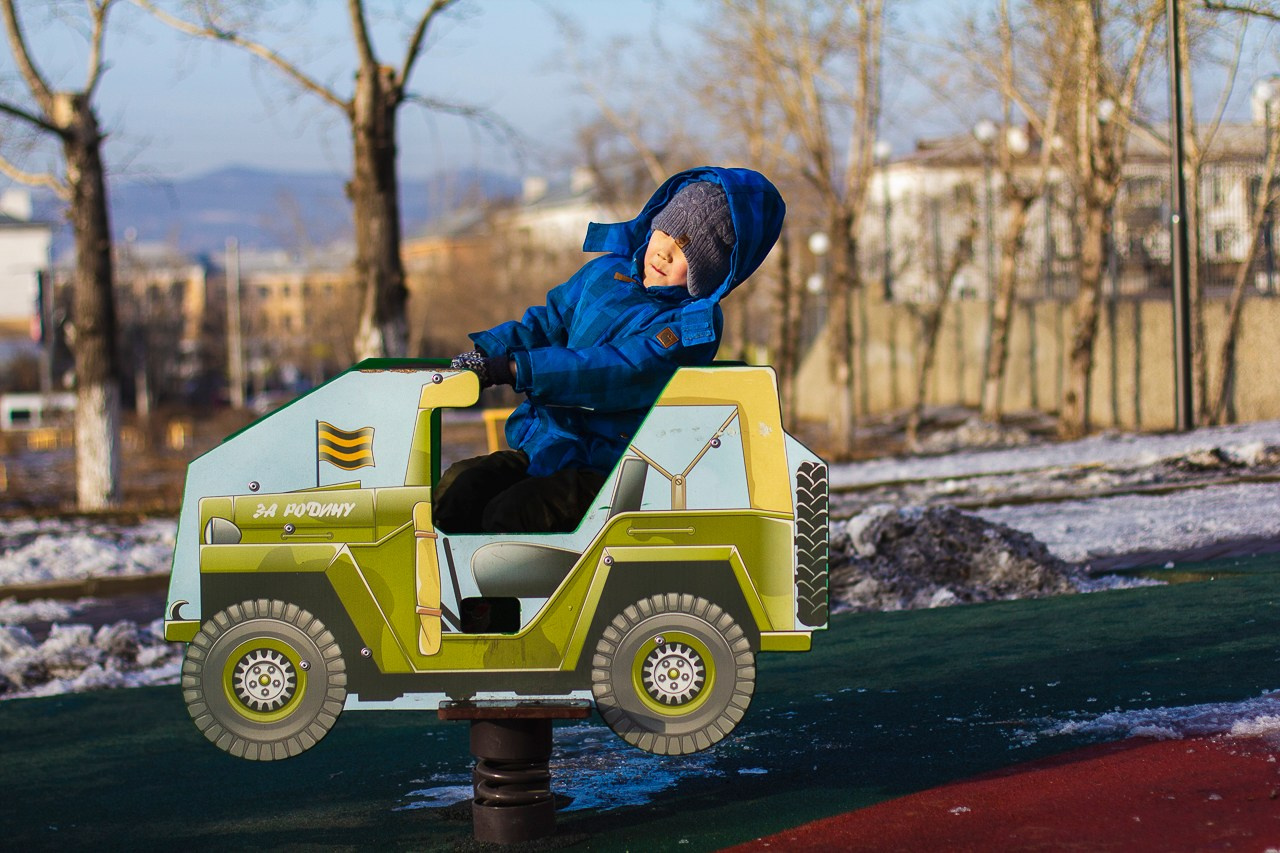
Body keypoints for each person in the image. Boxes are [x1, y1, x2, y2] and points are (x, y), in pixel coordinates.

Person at [436, 166, 785, 534]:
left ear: (713, 266)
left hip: (614, 472)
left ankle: (502, 594)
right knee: (460, 486)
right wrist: (488, 352)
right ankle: (437, 587)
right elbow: (549, 322)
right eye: (664, 231)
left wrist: (517, 369)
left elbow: (618, 369)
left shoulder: (693, 326)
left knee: (513, 514)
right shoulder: (605, 273)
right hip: (548, 445)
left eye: (685, 247)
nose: (664, 251)